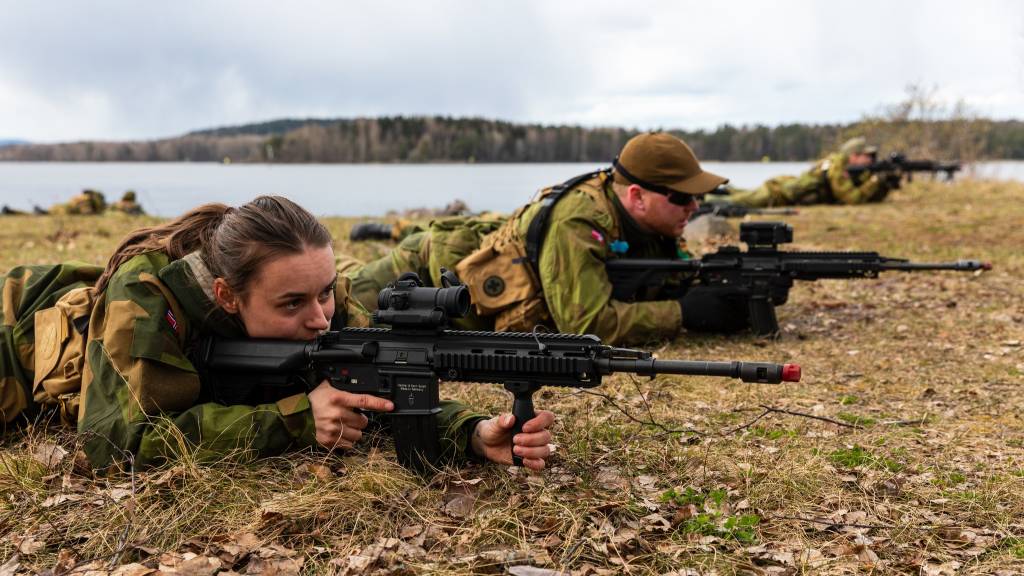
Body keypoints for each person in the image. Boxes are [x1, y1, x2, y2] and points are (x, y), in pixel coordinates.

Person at [0, 196, 554, 471]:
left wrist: (474, 433)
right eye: (291, 303)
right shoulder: (146, 296)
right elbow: (116, 442)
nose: (319, 318)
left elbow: (377, 389)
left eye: (326, 291)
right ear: (226, 296)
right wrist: (290, 421)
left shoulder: (313, 300)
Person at [347, 132, 740, 345]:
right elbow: (587, 322)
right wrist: (684, 313)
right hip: (425, 272)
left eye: (698, 197)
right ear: (636, 196)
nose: (694, 206)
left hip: (460, 294)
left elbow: (667, 277)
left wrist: (723, 287)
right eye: (683, 197)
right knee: (335, 298)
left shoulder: (654, 227)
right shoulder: (579, 220)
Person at [719, 137, 895, 207]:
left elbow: (867, 198)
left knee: (738, 194)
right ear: (853, 156)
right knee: (736, 200)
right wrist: (873, 182)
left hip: (785, 188)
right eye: (867, 156)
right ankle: (707, 195)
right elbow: (851, 198)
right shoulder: (836, 167)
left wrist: (885, 184)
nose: (871, 160)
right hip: (780, 193)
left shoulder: (855, 171)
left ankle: (715, 190)